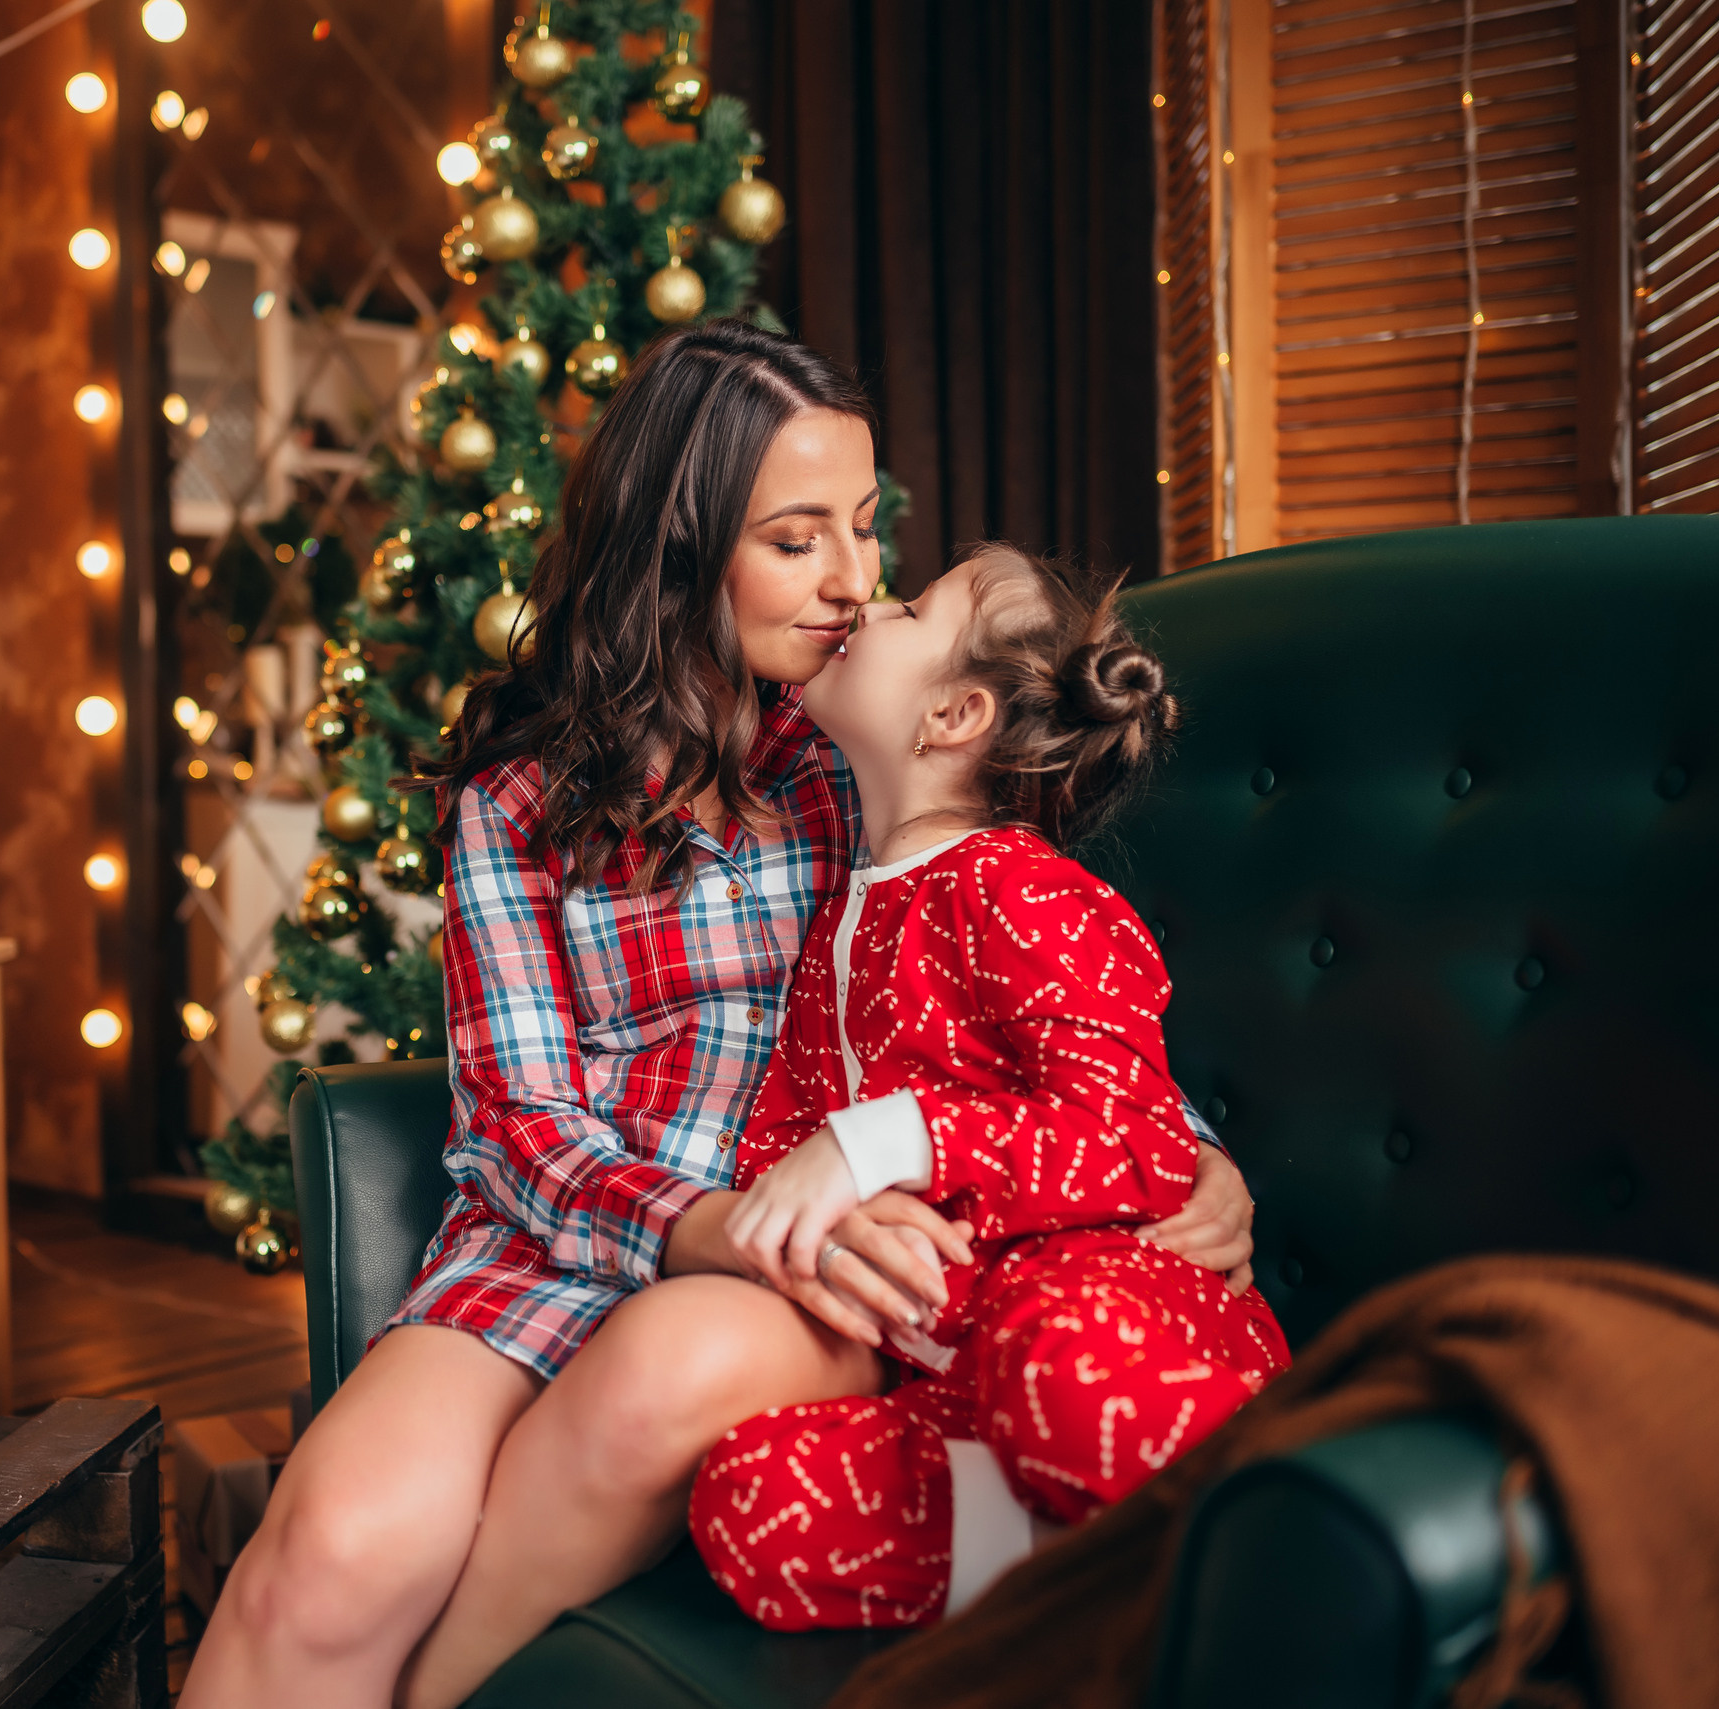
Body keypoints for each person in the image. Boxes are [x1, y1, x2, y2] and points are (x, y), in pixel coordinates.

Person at [177, 322, 1258, 1709]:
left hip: (812, 1257)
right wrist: (689, 1223)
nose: (858, 587)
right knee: (325, 1555)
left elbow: (1044, 973)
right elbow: (516, 1121)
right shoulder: (520, 796)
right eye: (798, 540)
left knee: (662, 1373)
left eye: (865, 530)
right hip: (568, 1236)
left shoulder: (867, 745)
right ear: (683, 549)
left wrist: (1198, 1152)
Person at [689, 544, 1291, 1631]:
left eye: (907, 606)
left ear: (955, 713)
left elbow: (1138, 1142)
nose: (862, 600)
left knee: (1049, 1368)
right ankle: (1122, 1573)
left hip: (1112, 1317)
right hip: (953, 1373)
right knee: (752, 1498)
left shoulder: (1019, 886)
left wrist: (887, 1140)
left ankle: (1309, 1516)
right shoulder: (839, 925)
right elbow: (780, 1149)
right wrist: (809, 1204)